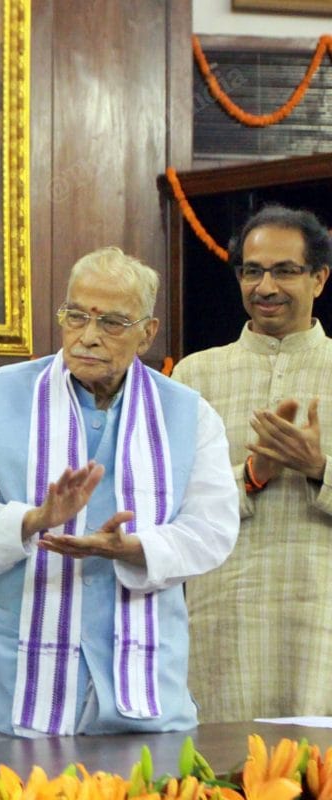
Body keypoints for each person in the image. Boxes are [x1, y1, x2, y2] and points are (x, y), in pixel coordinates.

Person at [0, 246, 239, 737]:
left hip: (144, 692)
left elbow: (212, 530)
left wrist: (134, 549)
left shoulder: (189, 413)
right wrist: (32, 521)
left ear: (147, 333)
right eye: (77, 316)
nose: (87, 336)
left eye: (111, 322)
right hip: (14, 682)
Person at [171, 205, 332, 722]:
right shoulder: (195, 376)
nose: (266, 286)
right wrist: (252, 476)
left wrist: (317, 467)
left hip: (319, 616)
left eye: (285, 270)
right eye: (252, 270)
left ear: (319, 278)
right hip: (221, 615)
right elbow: (166, 504)